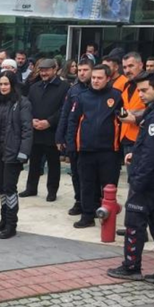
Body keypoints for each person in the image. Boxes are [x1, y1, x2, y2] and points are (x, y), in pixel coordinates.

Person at [107, 72, 154, 286]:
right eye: (138, 90)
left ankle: (131, 266)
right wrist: (135, 154)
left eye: (144, 90)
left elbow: (152, 150)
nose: (140, 94)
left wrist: (138, 179)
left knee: (134, 221)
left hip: (150, 179)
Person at [67, 64, 123, 229]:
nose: (96, 81)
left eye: (99, 78)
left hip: (109, 151)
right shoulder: (82, 97)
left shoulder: (117, 96)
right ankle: (87, 216)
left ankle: (108, 215)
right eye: (94, 78)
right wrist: (71, 144)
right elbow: (73, 121)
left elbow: (123, 121)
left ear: (107, 79)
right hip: (86, 149)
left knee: (108, 186)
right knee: (87, 184)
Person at [0, 71, 33, 239]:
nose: (3, 87)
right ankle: (3, 220)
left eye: (6, 84)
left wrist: (23, 153)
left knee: (10, 189)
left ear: (13, 85)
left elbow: (27, 129)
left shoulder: (22, 103)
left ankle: (11, 224)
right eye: (1, 84)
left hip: (13, 153)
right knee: (1, 189)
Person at [22, 58, 69, 202]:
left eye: (47, 70)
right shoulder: (34, 87)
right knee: (34, 162)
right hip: (36, 130)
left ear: (55, 70)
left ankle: (52, 191)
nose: (44, 73)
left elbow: (64, 109)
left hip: (52, 131)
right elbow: (28, 105)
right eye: (41, 70)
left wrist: (49, 122)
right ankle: (31, 188)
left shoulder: (64, 87)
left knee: (53, 163)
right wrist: (32, 120)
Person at [56, 58, 93, 216]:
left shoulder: (98, 88)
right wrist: (60, 137)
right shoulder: (74, 90)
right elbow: (65, 114)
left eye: (85, 70)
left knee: (90, 176)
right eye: (79, 70)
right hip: (73, 139)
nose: (82, 73)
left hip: (91, 140)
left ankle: (92, 203)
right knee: (76, 173)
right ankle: (79, 201)